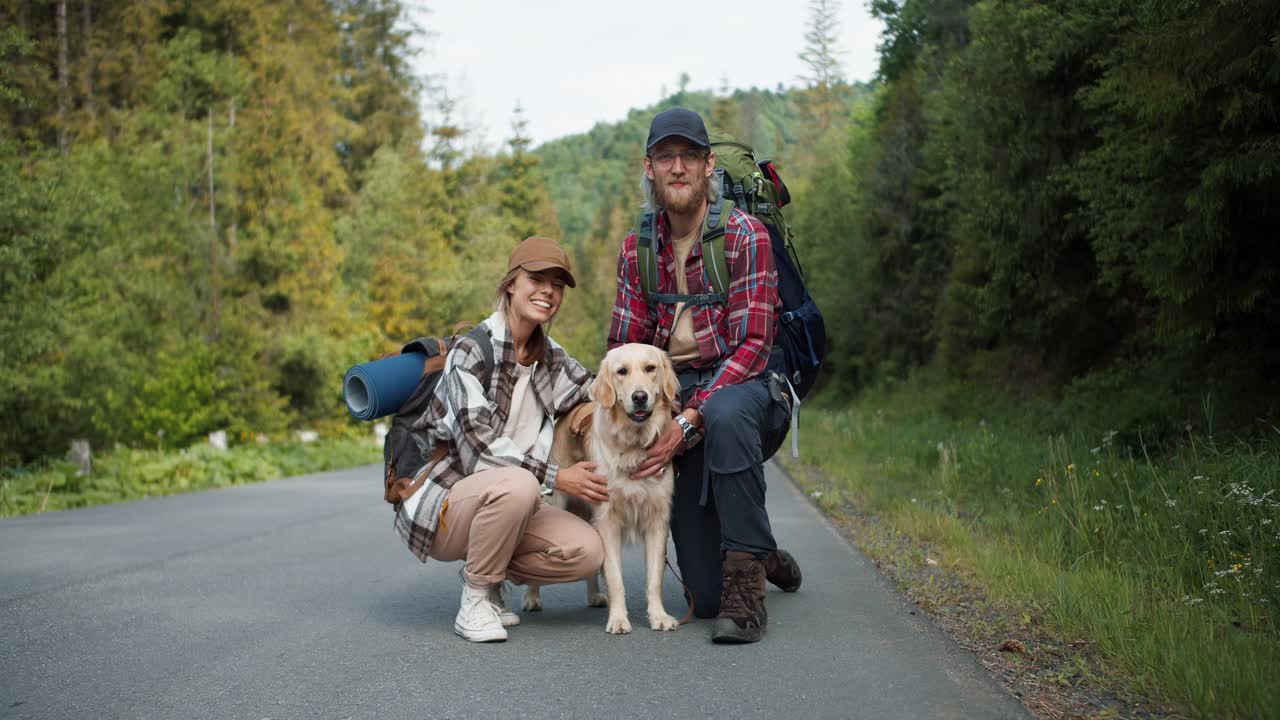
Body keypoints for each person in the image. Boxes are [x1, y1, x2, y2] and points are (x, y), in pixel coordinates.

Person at [607, 107, 803, 644]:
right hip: (675, 392)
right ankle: (757, 550)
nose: (677, 167)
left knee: (724, 410)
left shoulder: (746, 236)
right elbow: (623, 349)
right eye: (665, 157)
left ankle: (748, 589)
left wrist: (687, 423)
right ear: (649, 167)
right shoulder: (637, 248)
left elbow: (755, 346)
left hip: (747, 389)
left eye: (688, 156)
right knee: (704, 593)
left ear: (707, 165)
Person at [393, 236, 608, 643]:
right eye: (536, 278)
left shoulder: (552, 357)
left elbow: (600, 392)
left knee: (587, 550)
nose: (548, 291)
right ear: (511, 283)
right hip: (444, 501)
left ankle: (491, 576)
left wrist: (661, 400)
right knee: (519, 481)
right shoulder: (471, 351)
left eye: (557, 284)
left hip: (513, 500)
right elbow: (481, 455)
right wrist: (560, 478)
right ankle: (476, 596)